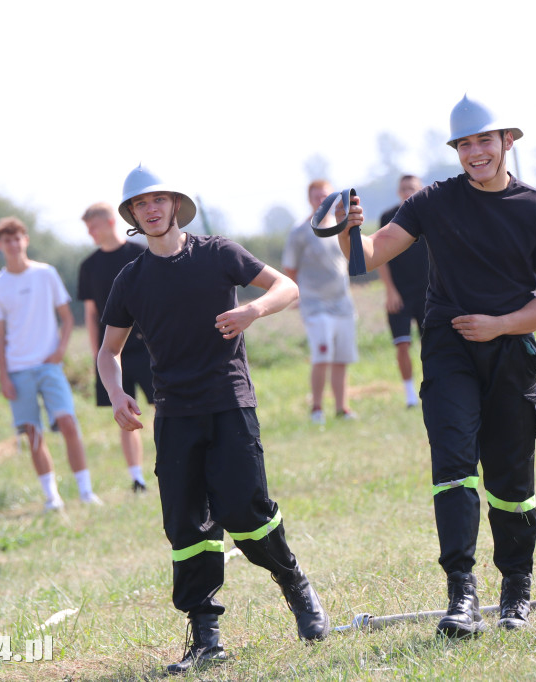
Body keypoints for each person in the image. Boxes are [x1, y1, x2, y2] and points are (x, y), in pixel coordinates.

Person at [333, 95, 536, 636]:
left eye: (485, 140)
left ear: (508, 141)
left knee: (512, 480)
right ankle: (461, 595)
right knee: (454, 466)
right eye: (465, 144)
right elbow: (366, 258)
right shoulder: (432, 201)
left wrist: (501, 324)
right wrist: (350, 229)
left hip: (510, 351)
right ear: (456, 151)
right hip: (448, 349)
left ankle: (517, 587)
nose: (475, 152)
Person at [98, 165, 330, 674]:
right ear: (133, 215)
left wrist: (253, 311)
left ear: (176, 205)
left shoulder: (219, 253)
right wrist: (116, 393)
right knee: (187, 525)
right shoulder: (131, 279)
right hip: (175, 416)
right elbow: (108, 351)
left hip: (230, 402)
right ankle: (206, 636)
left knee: (246, 510)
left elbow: (286, 287)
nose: (152, 209)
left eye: (160, 199)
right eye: (142, 204)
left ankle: (294, 583)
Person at [0, 216, 101, 511]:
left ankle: (85, 492)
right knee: (33, 433)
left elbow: (67, 317)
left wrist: (60, 350)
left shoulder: (45, 274)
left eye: (17, 238)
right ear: (0, 245)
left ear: (26, 240)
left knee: (68, 423)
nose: (13, 244)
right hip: (17, 368)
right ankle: (52, 497)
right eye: (6, 240)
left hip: (49, 365)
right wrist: (3, 376)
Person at [78, 202, 151, 493]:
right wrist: (100, 355)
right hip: (113, 353)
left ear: (110, 223)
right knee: (124, 413)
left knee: (167, 409)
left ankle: (173, 465)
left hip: (148, 348)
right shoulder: (88, 266)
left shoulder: (141, 253)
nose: (90, 233)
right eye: (87, 229)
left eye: (93, 226)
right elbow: (91, 313)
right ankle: (137, 478)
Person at [282, 179, 358, 424]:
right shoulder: (300, 232)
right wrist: (294, 295)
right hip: (315, 305)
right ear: (309, 199)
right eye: (316, 197)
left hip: (342, 303)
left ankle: (341, 407)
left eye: (325, 196)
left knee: (341, 358)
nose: (320, 201)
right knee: (322, 355)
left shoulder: (342, 227)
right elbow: (289, 269)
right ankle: (316, 408)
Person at [377, 174, 429, 407]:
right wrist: (390, 291)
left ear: (420, 189)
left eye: (412, 188)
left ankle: (434, 387)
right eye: (403, 188)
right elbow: (380, 257)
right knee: (402, 344)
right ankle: (410, 395)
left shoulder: (430, 214)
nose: (407, 192)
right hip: (399, 293)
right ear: (398, 192)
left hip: (429, 292)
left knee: (433, 344)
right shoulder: (388, 218)